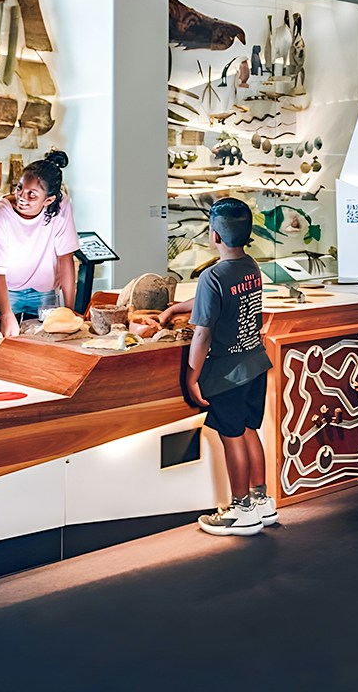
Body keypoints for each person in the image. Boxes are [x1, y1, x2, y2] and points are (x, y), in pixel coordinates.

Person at [157, 198, 276, 536]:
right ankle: (261, 501)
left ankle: (240, 510)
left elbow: (203, 333)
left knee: (232, 437)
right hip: (255, 364)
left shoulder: (212, 275)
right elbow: (215, 299)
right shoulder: (250, 266)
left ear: (214, 236)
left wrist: (192, 375)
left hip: (226, 373)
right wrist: (174, 309)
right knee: (250, 431)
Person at [0, 150, 79, 337]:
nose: (22, 197)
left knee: (44, 345)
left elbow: (65, 258)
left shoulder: (61, 207)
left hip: (44, 292)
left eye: (32, 195)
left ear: (49, 200)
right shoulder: (0, 212)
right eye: (20, 188)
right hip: (7, 291)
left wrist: (70, 310)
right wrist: (6, 314)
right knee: (3, 344)